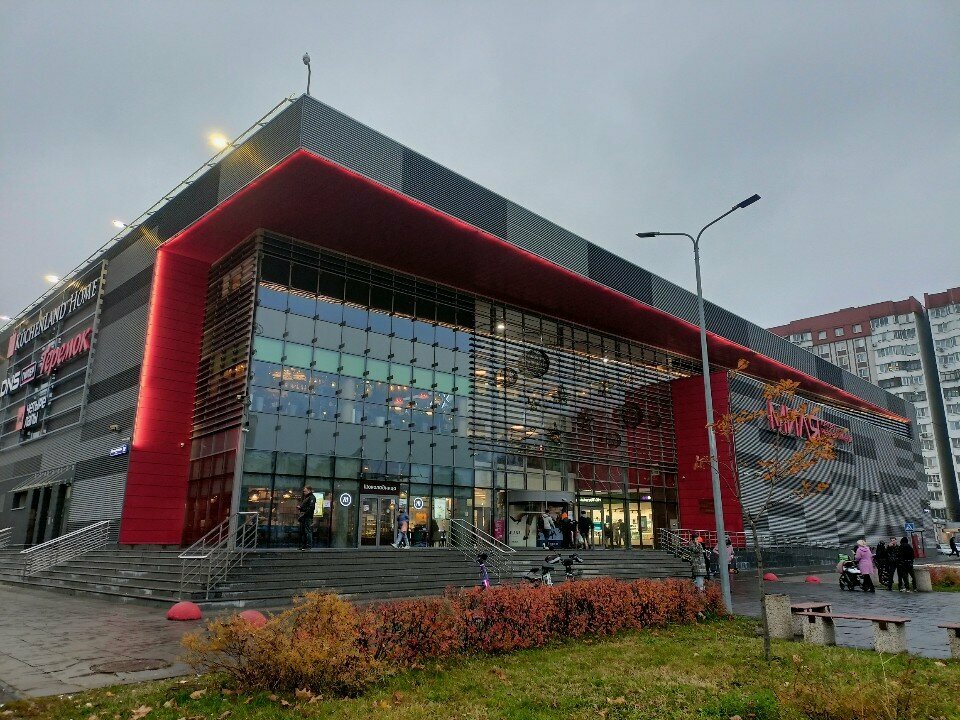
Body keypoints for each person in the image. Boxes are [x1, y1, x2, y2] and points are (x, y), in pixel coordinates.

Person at [297, 485, 316, 551]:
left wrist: (303, 511)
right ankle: (304, 546)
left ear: (309, 490)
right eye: (304, 491)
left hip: (307, 516)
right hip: (305, 516)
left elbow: (311, 508)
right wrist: (301, 508)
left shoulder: (311, 498)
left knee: (307, 531)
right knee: (304, 532)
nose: (304, 492)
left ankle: (308, 546)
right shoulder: (308, 497)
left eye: (305, 491)